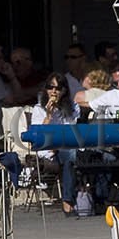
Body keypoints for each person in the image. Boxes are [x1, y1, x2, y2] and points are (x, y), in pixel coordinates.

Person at [29, 78, 80, 216]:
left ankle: (88, 199)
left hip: (66, 148)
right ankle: (68, 203)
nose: (53, 91)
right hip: (48, 151)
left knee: (71, 156)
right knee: (69, 158)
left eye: (57, 88)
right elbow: (38, 135)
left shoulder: (73, 107)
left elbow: (72, 131)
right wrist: (49, 115)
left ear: (64, 90)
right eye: (50, 87)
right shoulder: (39, 108)